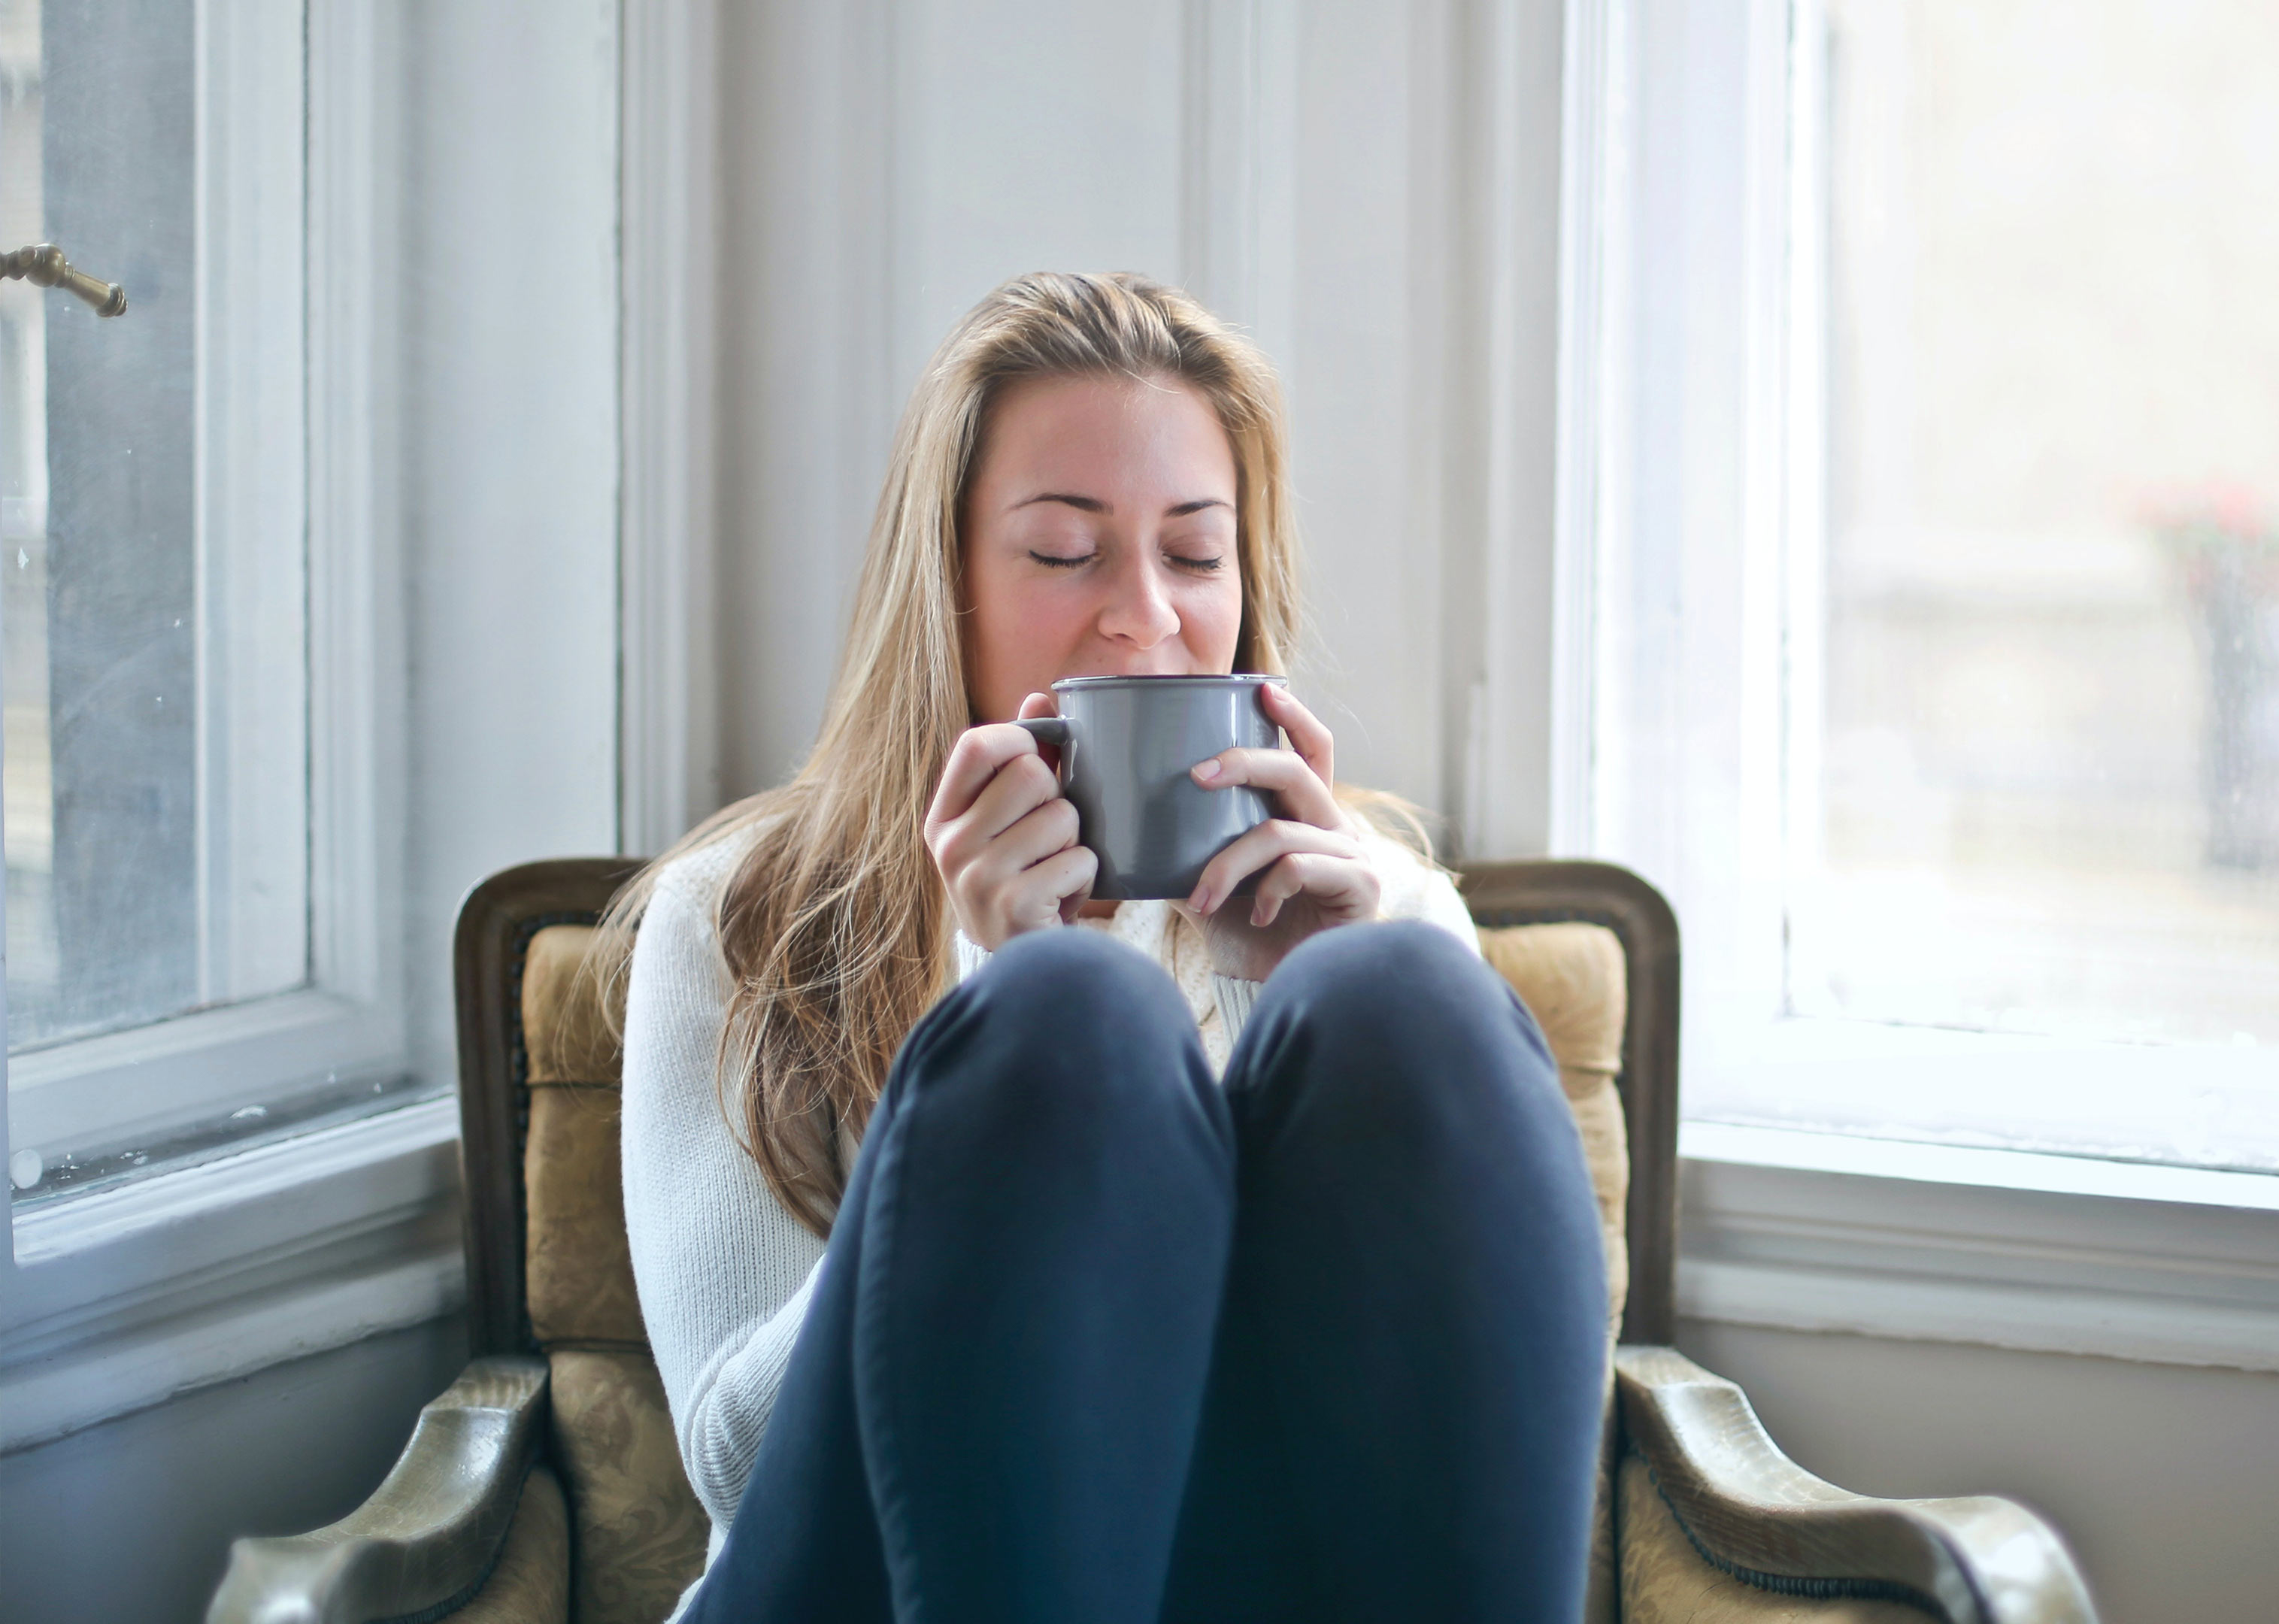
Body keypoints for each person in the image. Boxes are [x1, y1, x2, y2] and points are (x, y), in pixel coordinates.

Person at [603, 271, 1608, 1624]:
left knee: (1404, 992)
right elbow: (733, 1459)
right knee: (1067, 1019)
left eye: (1196, 554)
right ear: (945, 582)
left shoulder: (1380, 906)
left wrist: (1298, 993)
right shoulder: (739, 913)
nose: (1145, 612)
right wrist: (990, 995)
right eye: (1066, 552)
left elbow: (1491, 1429)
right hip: (850, 1590)